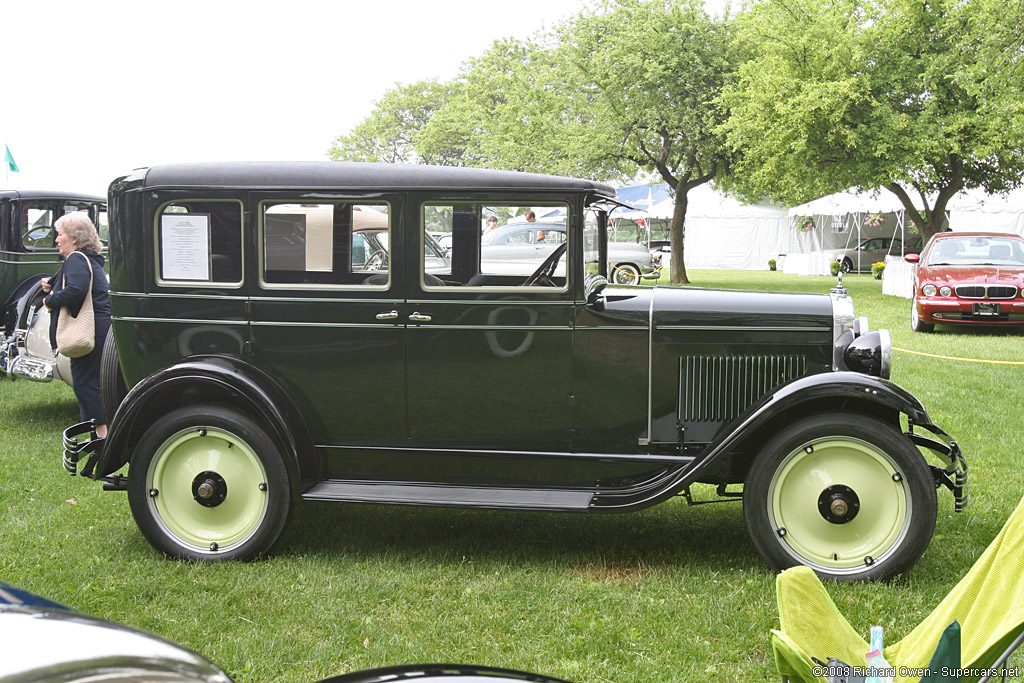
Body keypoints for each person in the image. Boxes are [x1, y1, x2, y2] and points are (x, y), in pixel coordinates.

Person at [41, 213, 111, 437]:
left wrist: (49, 300)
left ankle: (104, 436)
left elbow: (76, 289)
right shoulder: (89, 259)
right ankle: (95, 436)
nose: (56, 240)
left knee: (84, 384)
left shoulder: (76, 259)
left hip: (91, 331)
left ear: (75, 238)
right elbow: (75, 281)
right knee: (91, 383)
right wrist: (51, 284)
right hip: (102, 330)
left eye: (60, 234)